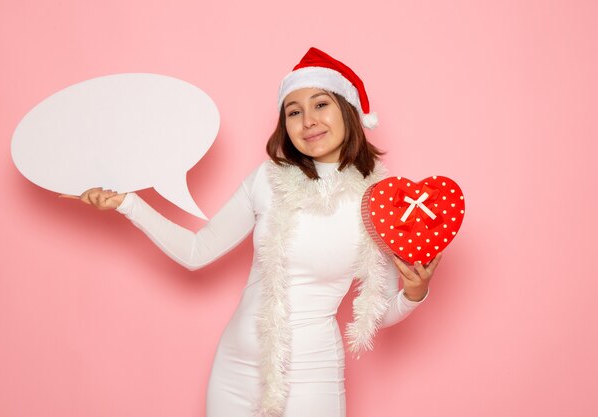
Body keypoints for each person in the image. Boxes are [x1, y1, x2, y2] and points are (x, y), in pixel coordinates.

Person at [61, 47, 441, 417]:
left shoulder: (383, 202)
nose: (308, 120)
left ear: (349, 110)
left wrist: (414, 293)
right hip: (234, 369)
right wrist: (128, 204)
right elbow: (198, 251)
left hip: (311, 378)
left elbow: (374, 314)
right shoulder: (267, 179)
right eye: (294, 111)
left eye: (321, 104)